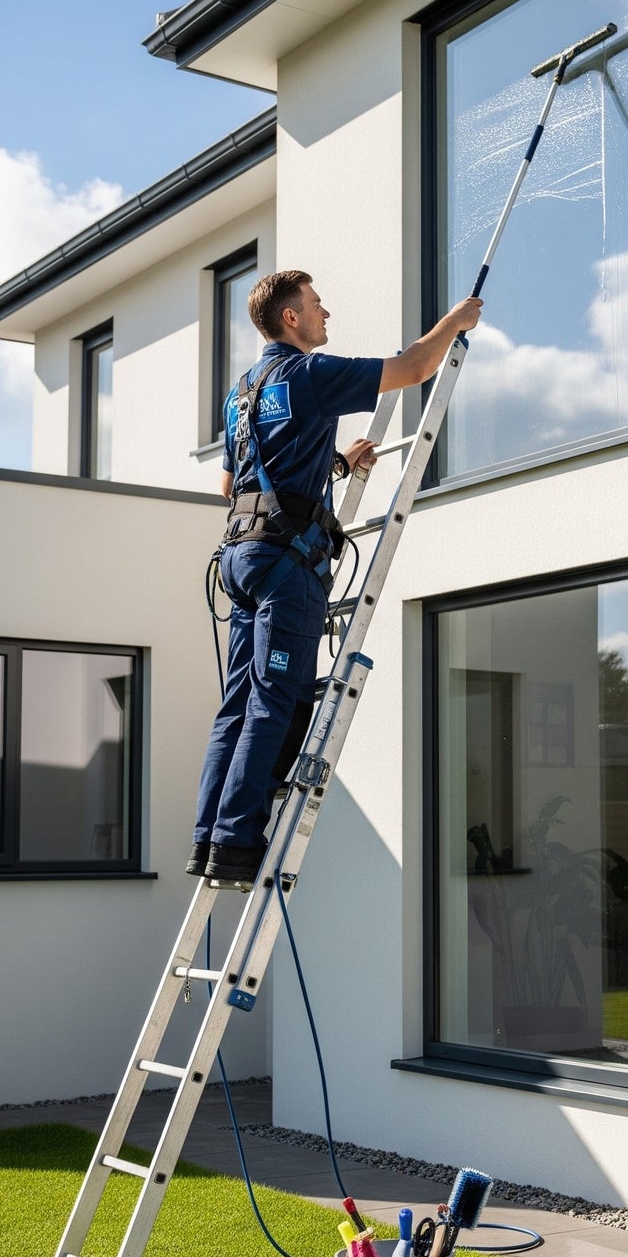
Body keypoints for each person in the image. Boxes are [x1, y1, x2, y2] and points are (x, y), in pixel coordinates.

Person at [189, 270, 482, 884]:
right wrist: (455, 321)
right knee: (276, 700)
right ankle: (236, 841)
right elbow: (414, 368)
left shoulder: (242, 393)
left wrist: (335, 464)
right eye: (317, 305)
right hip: (285, 566)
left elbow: (230, 485)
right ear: (290, 317)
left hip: (241, 558)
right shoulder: (308, 374)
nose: (327, 314)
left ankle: (208, 838)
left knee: (238, 705)